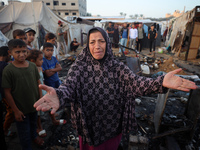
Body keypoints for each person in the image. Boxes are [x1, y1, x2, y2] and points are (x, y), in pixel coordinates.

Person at [34, 27, 197, 150]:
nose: (97, 46)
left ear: (108, 43)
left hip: (111, 127)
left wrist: (161, 81)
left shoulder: (117, 67)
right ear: (87, 45)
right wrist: (60, 96)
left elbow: (137, 84)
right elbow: (69, 86)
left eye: (101, 41)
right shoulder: (79, 67)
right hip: (88, 126)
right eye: (92, 42)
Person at [2, 39, 44, 149]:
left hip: (34, 105)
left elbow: (38, 82)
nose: (22, 54)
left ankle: (34, 136)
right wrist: (15, 110)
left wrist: (41, 99)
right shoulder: (8, 70)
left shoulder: (32, 66)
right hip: (21, 109)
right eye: (18, 52)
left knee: (33, 124)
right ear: (10, 53)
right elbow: (7, 92)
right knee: (24, 132)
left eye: (24, 51)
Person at [42, 42, 66, 125]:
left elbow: (60, 68)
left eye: (51, 50)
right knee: (51, 99)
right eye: (47, 50)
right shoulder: (43, 61)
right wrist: (55, 69)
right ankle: (52, 115)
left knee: (57, 96)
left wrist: (51, 70)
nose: (50, 52)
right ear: (43, 50)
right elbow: (47, 74)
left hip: (56, 80)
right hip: (49, 83)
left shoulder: (53, 58)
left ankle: (55, 111)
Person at [26, 50, 47, 138]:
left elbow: (42, 80)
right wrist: (39, 95)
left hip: (42, 90)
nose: (42, 61)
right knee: (37, 112)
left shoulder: (40, 68)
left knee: (44, 108)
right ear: (32, 61)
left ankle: (52, 119)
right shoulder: (31, 70)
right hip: (37, 92)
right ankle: (39, 127)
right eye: (40, 59)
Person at [0, 46, 10, 150]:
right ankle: (5, 129)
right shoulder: (5, 66)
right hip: (5, 95)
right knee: (10, 112)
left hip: (2, 96)